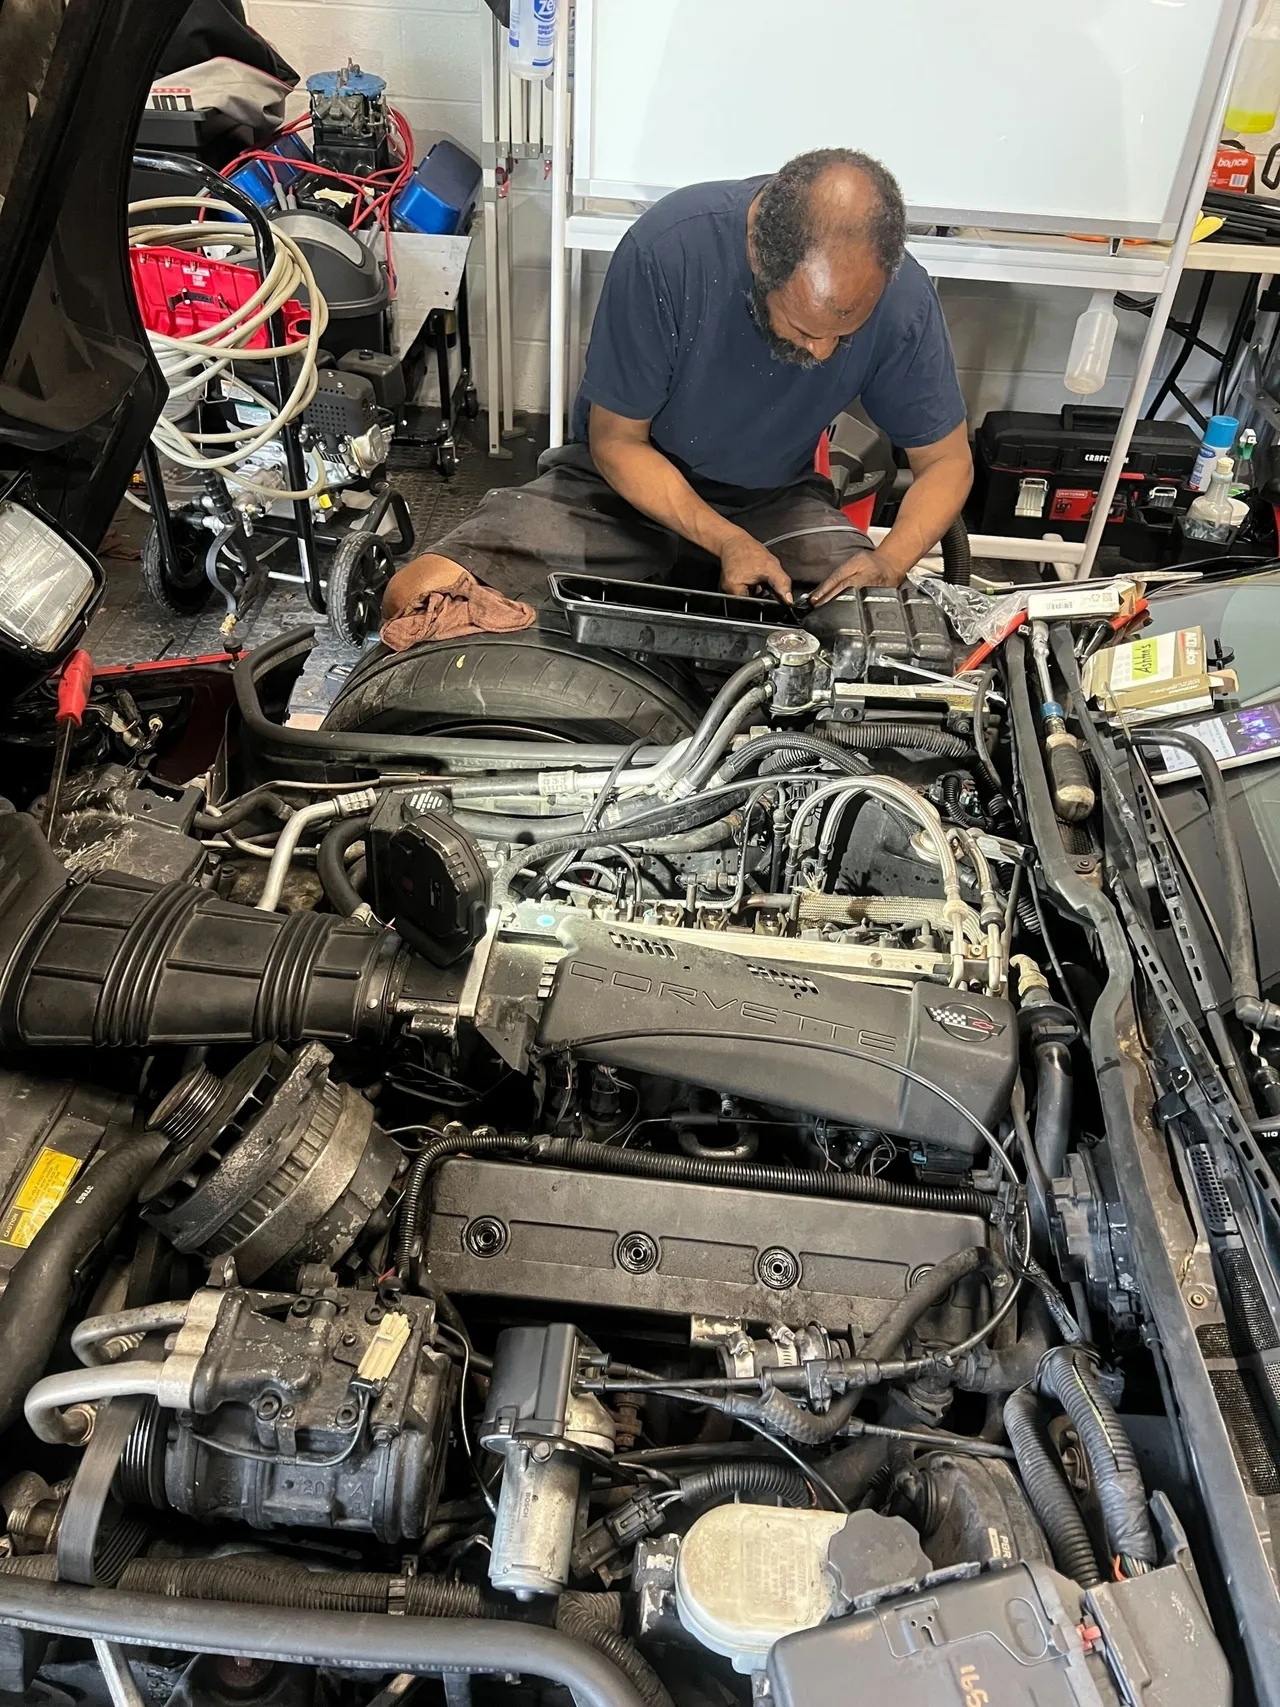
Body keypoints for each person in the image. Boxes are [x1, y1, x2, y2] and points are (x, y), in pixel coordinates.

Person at [383, 147, 972, 622]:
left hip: (773, 505)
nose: (821, 352)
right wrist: (724, 540)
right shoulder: (669, 251)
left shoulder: (902, 299)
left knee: (883, 645)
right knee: (418, 596)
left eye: (844, 335)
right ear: (758, 256)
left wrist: (890, 562)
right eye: (803, 328)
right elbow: (617, 443)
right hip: (621, 495)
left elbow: (947, 462)